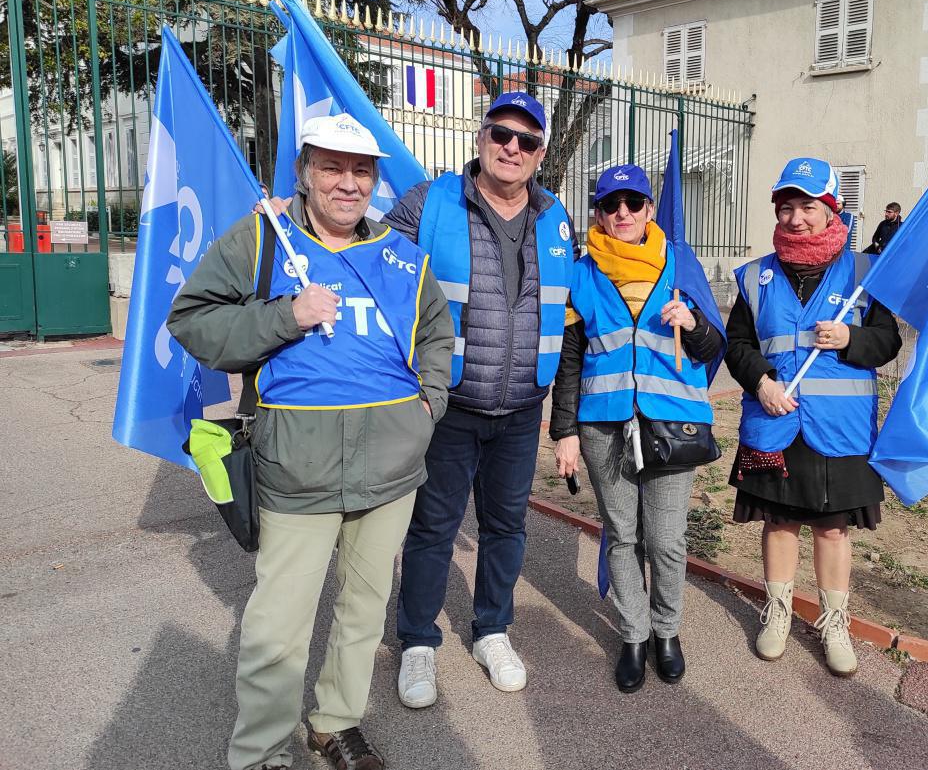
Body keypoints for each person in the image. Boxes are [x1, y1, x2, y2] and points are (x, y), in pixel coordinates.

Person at [168, 113, 454, 770]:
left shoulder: (403, 255)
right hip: (297, 466)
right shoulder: (264, 238)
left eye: (360, 169)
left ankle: (334, 723)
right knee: (278, 625)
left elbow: (437, 336)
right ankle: (261, 749)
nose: (347, 183)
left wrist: (427, 407)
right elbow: (192, 318)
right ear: (304, 172)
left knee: (363, 609)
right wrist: (285, 315)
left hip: (390, 467)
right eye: (331, 166)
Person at [383, 92, 577, 707]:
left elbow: (579, 308)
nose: (511, 148)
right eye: (501, 135)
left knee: (505, 528)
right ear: (480, 138)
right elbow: (370, 262)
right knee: (433, 527)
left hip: (522, 408)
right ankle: (417, 641)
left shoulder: (556, 217)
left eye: (526, 141)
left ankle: (492, 629)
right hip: (449, 405)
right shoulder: (432, 202)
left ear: (541, 153)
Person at [724, 157, 901, 677]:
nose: (795, 218)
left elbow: (887, 340)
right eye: (786, 207)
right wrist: (760, 381)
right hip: (774, 419)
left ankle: (834, 620)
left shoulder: (867, 273)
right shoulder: (756, 276)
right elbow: (738, 344)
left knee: (831, 530)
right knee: (778, 522)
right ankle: (778, 612)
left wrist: (852, 339)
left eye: (807, 207)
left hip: (839, 429)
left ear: (832, 210)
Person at [550, 164, 724, 693]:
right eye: (610, 204)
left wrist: (692, 324)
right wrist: (565, 432)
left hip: (672, 427)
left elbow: (713, 349)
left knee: (667, 541)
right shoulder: (582, 273)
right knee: (622, 537)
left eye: (633, 202)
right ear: (597, 214)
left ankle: (666, 633)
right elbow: (570, 360)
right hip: (604, 426)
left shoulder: (681, 263)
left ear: (649, 209)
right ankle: (633, 634)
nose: (621, 213)